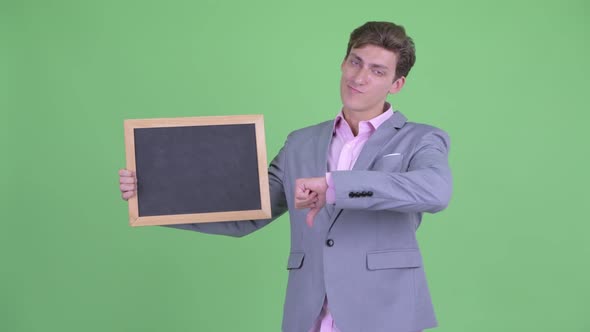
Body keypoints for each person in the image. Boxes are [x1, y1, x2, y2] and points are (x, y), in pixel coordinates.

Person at [119, 21, 452, 332]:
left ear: (396, 84)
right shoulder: (300, 143)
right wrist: (154, 197)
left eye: (377, 71)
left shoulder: (419, 138)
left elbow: (436, 190)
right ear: (343, 62)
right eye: (355, 62)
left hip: (385, 312)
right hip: (309, 313)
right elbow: (246, 214)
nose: (360, 77)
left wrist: (335, 186)